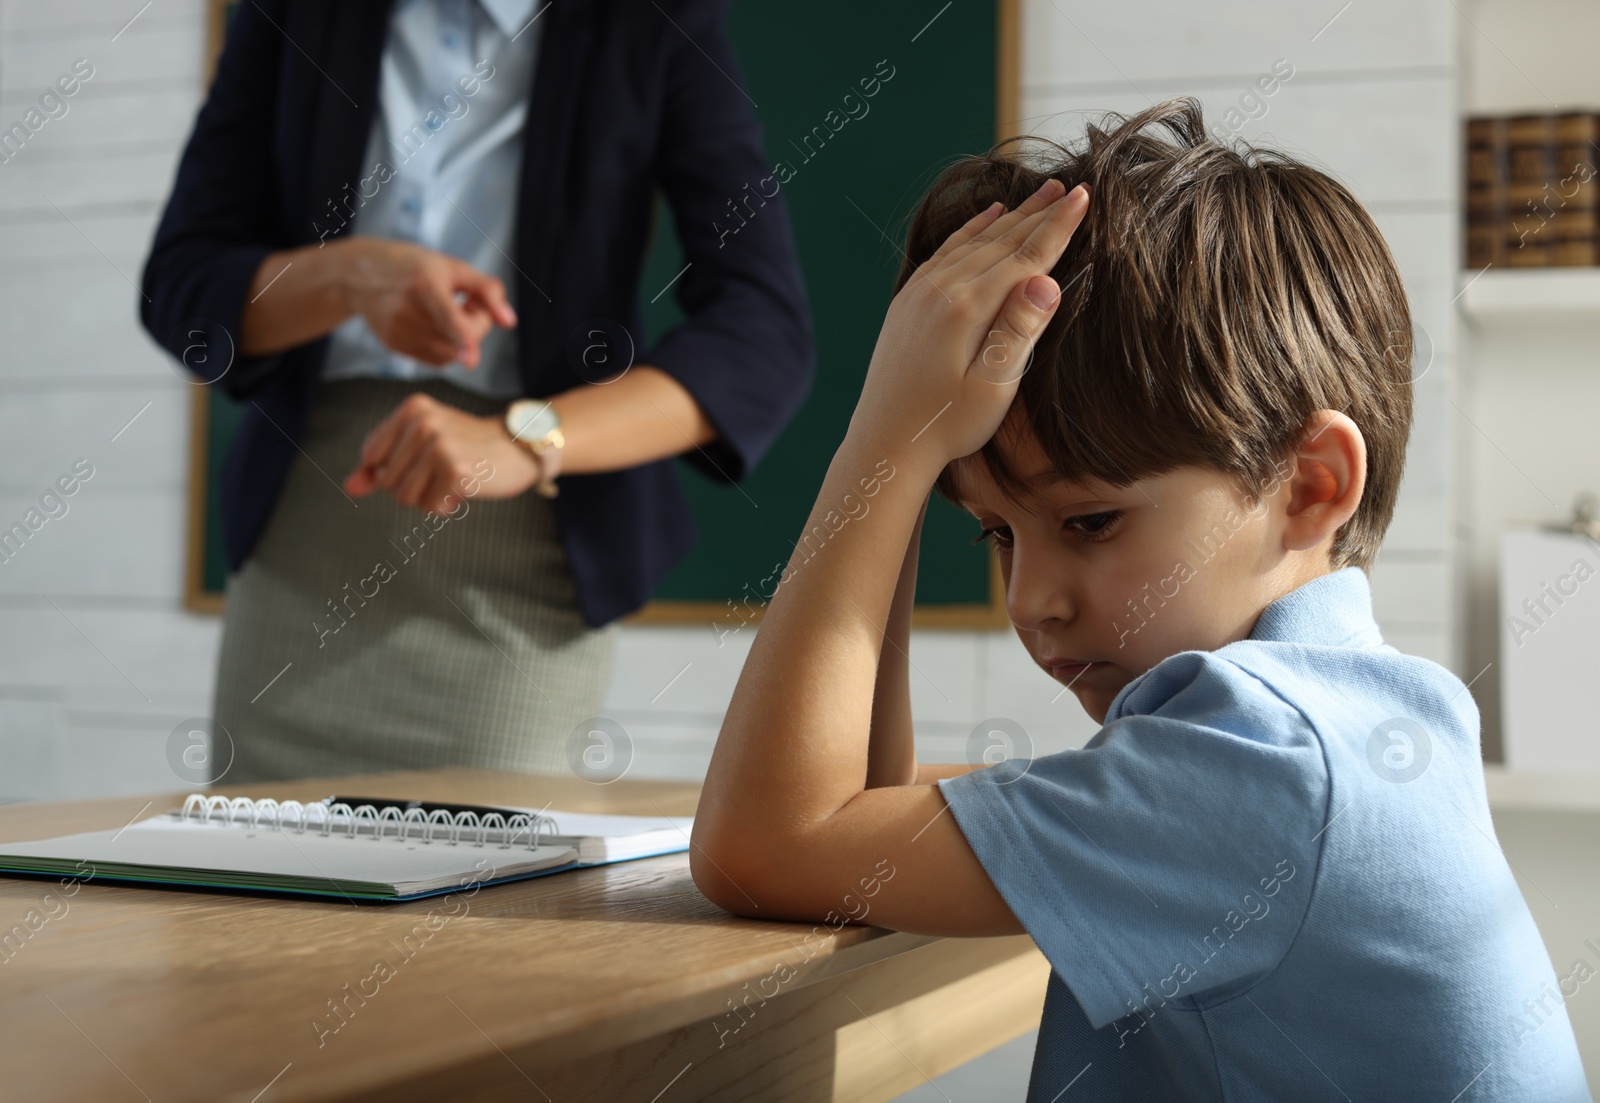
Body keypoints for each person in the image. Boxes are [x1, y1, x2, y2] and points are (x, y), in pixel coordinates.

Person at [689, 98, 1589, 1100]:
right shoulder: (1354, 719)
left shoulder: (1266, 762)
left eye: (1089, 523)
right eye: (995, 531)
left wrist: (886, 443)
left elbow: (765, 847)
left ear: (1310, 484)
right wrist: (913, 452)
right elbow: (854, 811)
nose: (1028, 600)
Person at [140, 0, 812, 782]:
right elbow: (180, 286)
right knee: (258, 883)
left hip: (527, 558)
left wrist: (527, 437)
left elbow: (763, 329)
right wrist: (347, 277)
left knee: (490, 890)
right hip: (304, 539)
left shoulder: (651, 19)